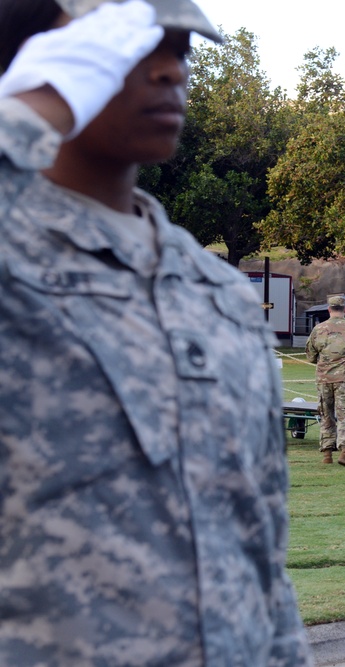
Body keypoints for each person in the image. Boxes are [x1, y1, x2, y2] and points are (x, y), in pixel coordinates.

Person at [0, 0, 311, 664]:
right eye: (131, 49)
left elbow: (260, 542)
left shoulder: (217, 290)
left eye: (180, 50)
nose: (171, 71)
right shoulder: (14, 258)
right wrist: (28, 110)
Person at [305, 295, 345, 468]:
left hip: (324, 379)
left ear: (329, 309)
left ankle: (327, 454)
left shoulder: (318, 329)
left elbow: (310, 355)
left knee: (326, 415)